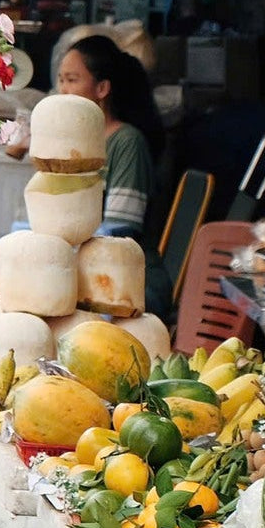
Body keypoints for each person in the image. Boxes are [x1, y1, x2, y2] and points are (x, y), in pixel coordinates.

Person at [56, 33, 173, 317]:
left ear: (102, 88)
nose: (63, 90)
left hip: (128, 279)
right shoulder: (71, 141)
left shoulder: (127, 142)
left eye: (72, 80)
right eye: (61, 80)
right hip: (81, 267)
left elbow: (119, 232)